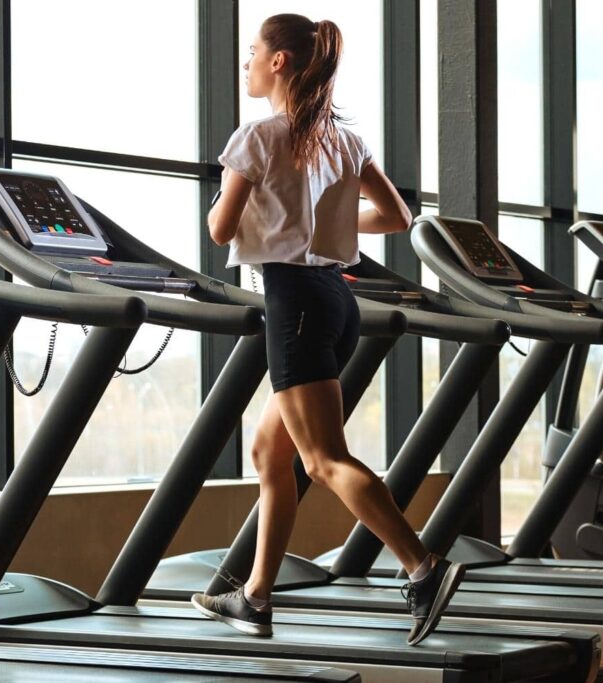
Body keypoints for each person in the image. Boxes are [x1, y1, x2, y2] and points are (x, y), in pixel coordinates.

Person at [190, 13, 464, 647]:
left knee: (323, 459)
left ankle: (423, 568)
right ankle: (255, 596)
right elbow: (397, 216)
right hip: (336, 303)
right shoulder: (345, 142)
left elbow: (220, 231)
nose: (247, 63)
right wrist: (330, 229)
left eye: (253, 52)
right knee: (270, 453)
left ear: (279, 61)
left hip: (294, 303)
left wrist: (291, 222)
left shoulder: (257, 136)